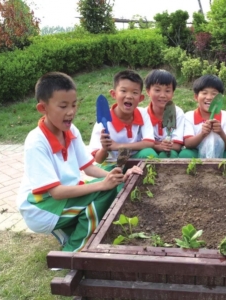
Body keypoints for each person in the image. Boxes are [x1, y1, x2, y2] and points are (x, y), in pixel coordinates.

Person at [16, 72, 143, 252]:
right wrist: (103, 185)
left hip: (57, 201)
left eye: (74, 104)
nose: (71, 112)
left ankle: (67, 229)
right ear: (42, 108)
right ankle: (73, 250)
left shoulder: (70, 130)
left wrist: (118, 176)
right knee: (105, 192)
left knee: (106, 184)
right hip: (40, 209)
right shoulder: (36, 142)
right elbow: (57, 192)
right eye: (63, 106)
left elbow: (89, 168)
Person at [89, 70, 157, 171]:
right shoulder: (103, 123)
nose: (129, 96)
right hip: (111, 164)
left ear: (141, 98)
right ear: (113, 94)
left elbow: (149, 142)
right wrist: (104, 148)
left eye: (134, 92)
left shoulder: (143, 113)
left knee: (149, 153)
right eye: (123, 91)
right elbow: (98, 159)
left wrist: (118, 146)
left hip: (134, 159)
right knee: (111, 182)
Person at [179, 74, 226, 159]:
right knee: (185, 154)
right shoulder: (189, 116)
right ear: (196, 97)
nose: (209, 97)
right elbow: (188, 143)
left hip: (220, 151)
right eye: (204, 93)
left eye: (214, 94)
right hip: (196, 152)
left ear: (220, 98)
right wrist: (202, 134)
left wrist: (220, 132)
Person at [144, 69, 185, 158]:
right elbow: (144, 143)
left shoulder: (177, 113)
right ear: (148, 91)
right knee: (148, 153)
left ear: (173, 93)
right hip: (150, 150)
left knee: (168, 154)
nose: (162, 95)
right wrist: (158, 146)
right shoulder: (144, 114)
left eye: (167, 91)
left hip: (170, 150)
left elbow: (177, 146)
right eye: (157, 90)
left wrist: (160, 145)